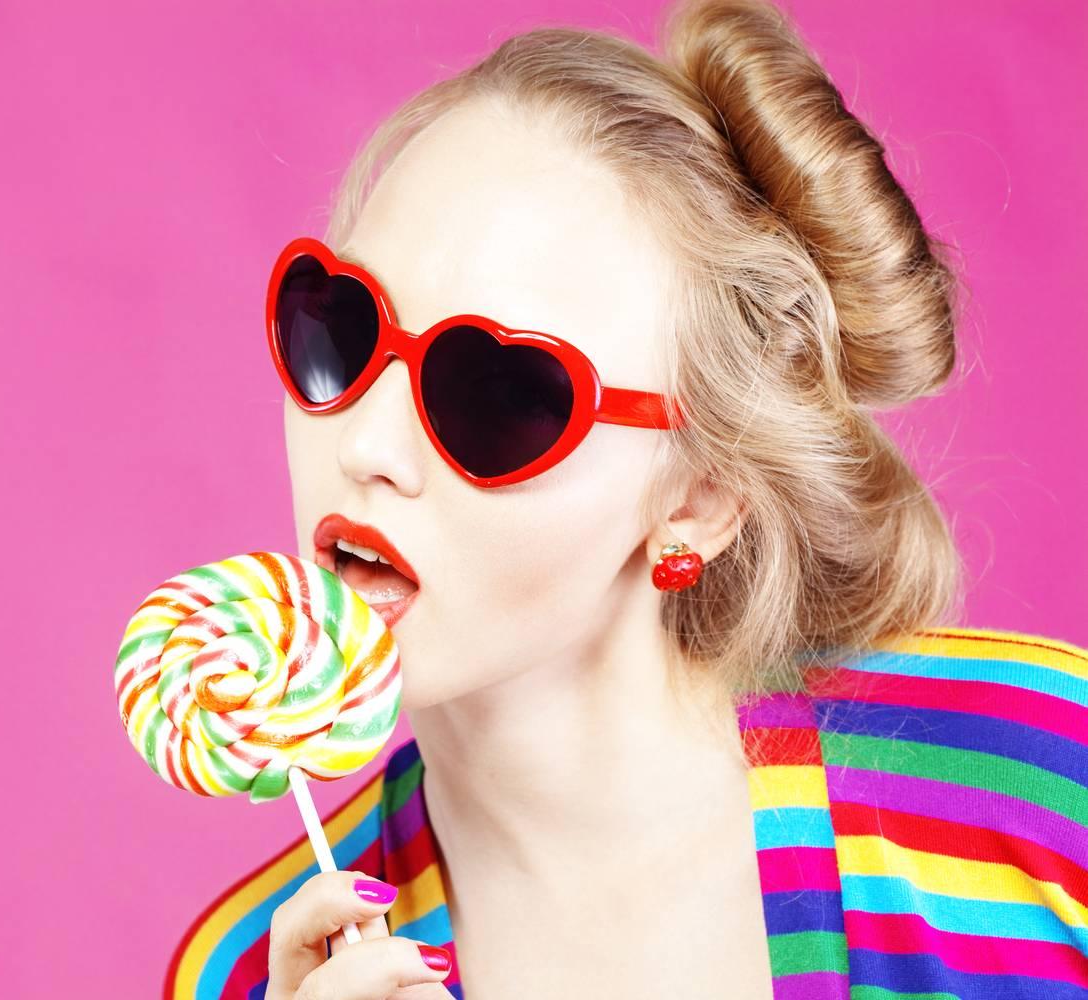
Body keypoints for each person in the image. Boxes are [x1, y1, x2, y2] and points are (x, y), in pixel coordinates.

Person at [166, 0, 1088, 996]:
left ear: (699, 497)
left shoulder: (1049, 791)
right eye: (342, 330)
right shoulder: (254, 973)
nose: (367, 446)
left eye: (498, 393)